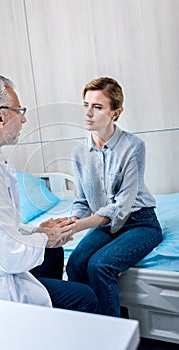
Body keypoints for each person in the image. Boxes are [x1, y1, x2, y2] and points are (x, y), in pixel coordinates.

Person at [0, 73, 98, 314]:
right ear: (0, 116)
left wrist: (40, 231)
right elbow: (9, 254)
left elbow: (1, 226)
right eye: (20, 110)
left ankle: (42, 322)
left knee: (53, 251)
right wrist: (47, 237)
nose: (24, 119)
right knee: (85, 297)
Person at [66, 77, 163, 316]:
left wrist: (81, 226)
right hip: (107, 225)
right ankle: (88, 326)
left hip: (140, 223)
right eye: (85, 105)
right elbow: (82, 201)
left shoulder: (133, 146)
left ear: (115, 113)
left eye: (97, 107)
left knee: (100, 265)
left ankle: (112, 336)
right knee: (76, 263)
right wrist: (71, 221)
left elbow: (122, 206)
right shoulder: (79, 152)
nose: (88, 113)